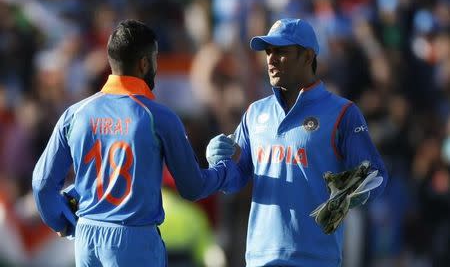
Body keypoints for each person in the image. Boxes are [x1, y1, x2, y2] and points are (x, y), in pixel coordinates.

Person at [32, 19, 239, 267]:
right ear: (144, 63)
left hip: (87, 239)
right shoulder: (159, 117)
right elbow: (192, 187)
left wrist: (62, 222)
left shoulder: (75, 114)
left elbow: (42, 184)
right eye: (155, 59)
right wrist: (224, 169)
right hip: (134, 241)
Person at [206, 18, 389, 267]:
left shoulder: (342, 112)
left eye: (281, 52)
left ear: (308, 56)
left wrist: (350, 195)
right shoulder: (255, 113)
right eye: (268, 51)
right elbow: (236, 180)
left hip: (315, 259)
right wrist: (219, 163)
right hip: (259, 258)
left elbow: (376, 174)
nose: (271, 59)